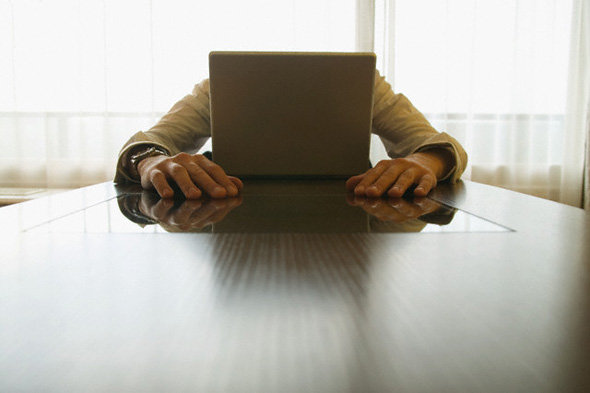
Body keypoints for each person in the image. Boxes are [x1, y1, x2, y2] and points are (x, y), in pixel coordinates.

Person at [114, 70, 467, 198]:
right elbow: (146, 145)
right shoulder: (215, 89)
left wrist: (423, 160)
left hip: (351, 203)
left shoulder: (366, 85)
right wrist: (152, 162)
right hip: (228, 203)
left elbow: (439, 145)